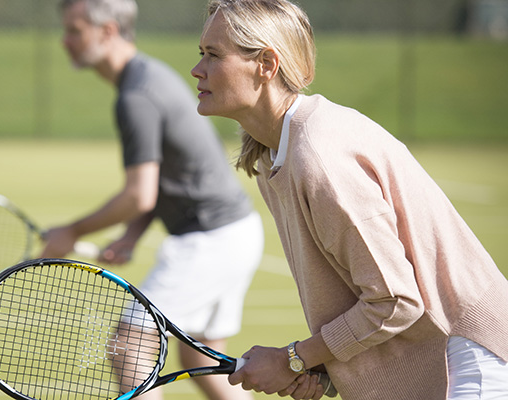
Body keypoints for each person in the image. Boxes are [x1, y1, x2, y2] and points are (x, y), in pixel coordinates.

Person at [190, 1, 508, 399]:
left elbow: (395, 299)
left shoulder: (319, 158)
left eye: (214, 55)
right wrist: (320, 369)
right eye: (201, 53)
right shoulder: (272, 154)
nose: (197, 69)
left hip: (467, 360)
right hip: (440, 358)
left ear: (266, 65)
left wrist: (294, 358)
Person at [43, 1, 264, 399]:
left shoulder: (136, 95)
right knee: (203, 362)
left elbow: (138, 193)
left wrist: (71, 231)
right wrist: (130, 236)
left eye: (74, 31)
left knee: (130, 346)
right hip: (235, 233)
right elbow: (159, 180)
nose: (65, 41)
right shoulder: (146, 77)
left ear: (108, 31)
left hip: (210, 240)